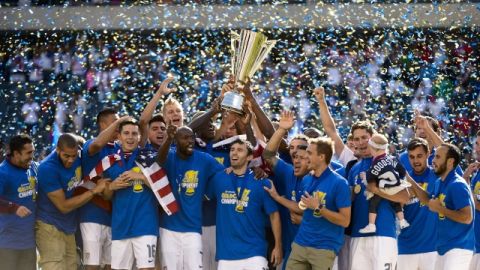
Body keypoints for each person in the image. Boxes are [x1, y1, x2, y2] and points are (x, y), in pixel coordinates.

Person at [207, 138, 282, 269]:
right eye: (232, 150)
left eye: (240, 150)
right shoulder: (219, 178)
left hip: (255, 253)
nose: (234, 153)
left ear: (249, 157)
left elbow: (274, 215)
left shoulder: (261, 181)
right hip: (227, 256)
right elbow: (201, 196)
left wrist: (278, 246)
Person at [156, 125, 224, 270]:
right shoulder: (170, 156)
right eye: (185, 138)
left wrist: (208, 193)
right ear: (175, 140)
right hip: (169, 228)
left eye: (192, 137)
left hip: (193, 229)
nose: (190, 141)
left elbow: (224, 175)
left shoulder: (204, 159)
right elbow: (158, 162)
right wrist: (168, 139)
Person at [36, 133, 107, 270]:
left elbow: (96, 145)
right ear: (57, 150)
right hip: (49, 225)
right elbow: (64, 207)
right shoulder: (47, 168)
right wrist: (93, 191)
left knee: (72, 266)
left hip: (69, 226)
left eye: (73, 156)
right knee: (54, 266)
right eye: (66, 156)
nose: (70, 160)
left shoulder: (80, 155)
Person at [283, 137, 351, 270]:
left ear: (321, 156)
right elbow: (304, 208)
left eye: (309, 153)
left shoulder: (340, 183)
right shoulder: (306, 180)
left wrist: (319, 207)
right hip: (300, 244)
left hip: (324, 248)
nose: (304, 156)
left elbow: (345, 221)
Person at [348, 121, 409, 270]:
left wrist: (375, 190)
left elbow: (405, 197)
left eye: (364, 137)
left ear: (373, 138)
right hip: (357, 236)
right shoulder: (353, 168)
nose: (361, 142)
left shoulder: (389, 162)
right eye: (356, 139)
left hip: (384, 233)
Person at [102, 120, 160, 270]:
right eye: (126, 133)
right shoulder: (111, 161)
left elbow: (161, 188)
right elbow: (106, 196)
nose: (130, 137)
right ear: (119, 137)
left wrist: (140, 177)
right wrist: (112, 186)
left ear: (140, 137)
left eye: (134, 133)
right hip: (120, 227)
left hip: (145, 225)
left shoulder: (149, 158)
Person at [408, 143, 474, 270]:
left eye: (438, 157)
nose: (433, 161)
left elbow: (467, 217)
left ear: (450, 162)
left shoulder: (457, 184)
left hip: (458, 248)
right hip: (443, 248)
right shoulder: (440, 182)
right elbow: (428, 201)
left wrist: (440, 209)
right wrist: (409, 179)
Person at [78, 108, 127, 270]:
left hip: (113, 216)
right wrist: (121, 121)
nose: (118, 127)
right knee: (92, 265)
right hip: (92, 215)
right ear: (103, 124)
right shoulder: (91, 144)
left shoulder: (119, 149)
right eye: (115, 122)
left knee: (111, 265)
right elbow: (98, 144)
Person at [262, 111, 310, 269]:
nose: (295, 153)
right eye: (293, 150)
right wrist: (281, 130)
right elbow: (268, 154)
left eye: (301, 151)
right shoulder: (288, 171)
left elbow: (304, 209)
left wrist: (278, 197)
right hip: (290, 246)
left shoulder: (319, 179)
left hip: (313, 249)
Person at [397, 138, 438, 270]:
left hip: (432, 247)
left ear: (428, 154)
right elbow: (396, 210)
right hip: (405, 247)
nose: (415, 161)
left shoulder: (438, 176)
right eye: (412, 157)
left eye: (419, 156)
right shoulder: (401, 181)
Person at [359, 134, 410, 234]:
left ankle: (371, 225)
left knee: (373, 202)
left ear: (375, 149)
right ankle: (402, 221)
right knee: (395, 203)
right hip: (396, 185)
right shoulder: (393, 158)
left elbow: (370, 178)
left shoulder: (377, 162)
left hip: (383, 186)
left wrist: (364, 176)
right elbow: (403, 172)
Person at [0, 134, 37, 270]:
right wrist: (13, 207)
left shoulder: (32, 167)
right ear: (16, 153)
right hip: (7, 244)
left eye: (33, 152)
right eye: (28, 153)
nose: (32, 156)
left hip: (29, 243)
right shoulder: (2, 172)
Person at [466, 130, 480, 270]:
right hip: (474, 245)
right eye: (476, 143)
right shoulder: (477, 172)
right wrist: (466, 178)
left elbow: (477, 204)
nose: (477, 148)